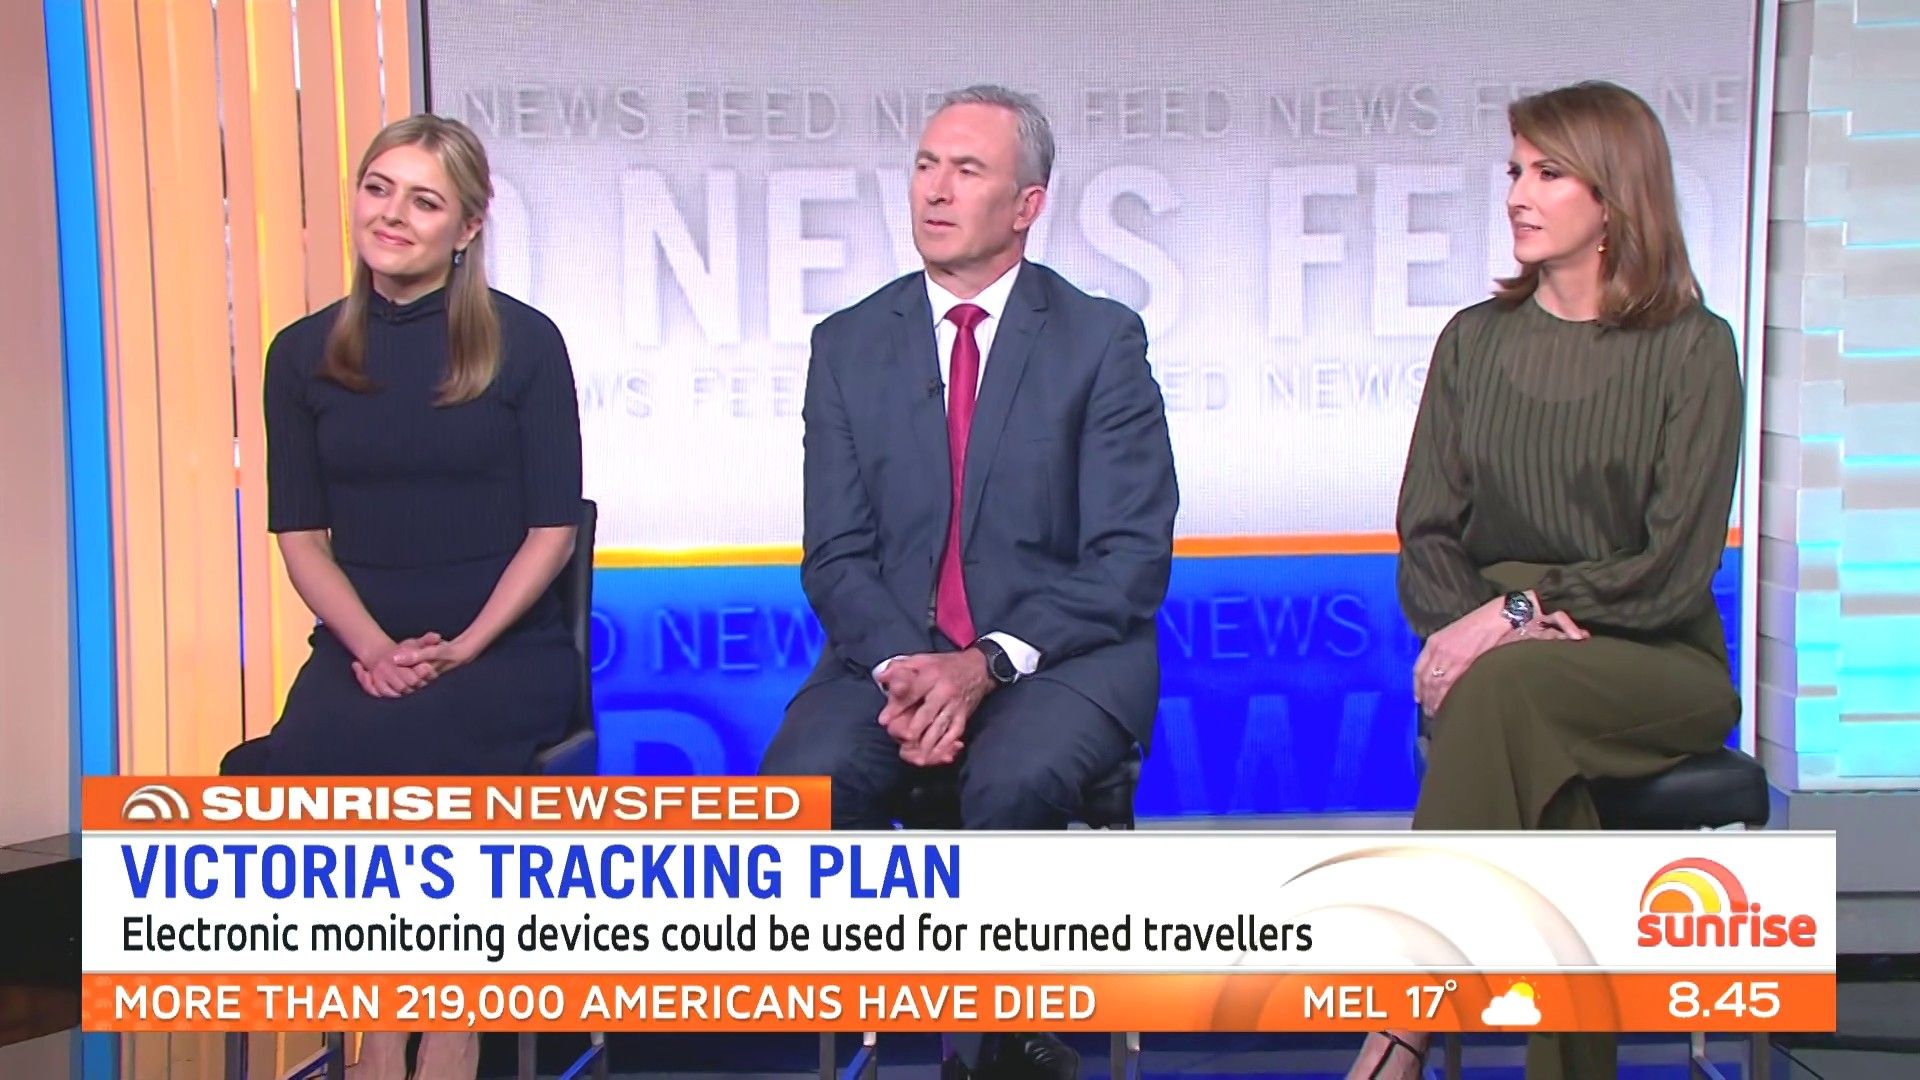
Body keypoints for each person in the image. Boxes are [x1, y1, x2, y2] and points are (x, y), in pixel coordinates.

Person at [759, 85, 1178, 1078]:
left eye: (967, 170)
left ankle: (993, 1046)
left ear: (1027, 205)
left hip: (1058, 658)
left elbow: (1129, 558)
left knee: (1013, 778)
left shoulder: (1100, 341)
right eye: (925, 166)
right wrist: (910, 669)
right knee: (800, 786)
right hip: (891, 657)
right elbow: (836, 554)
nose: (935, 190)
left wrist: (983, 665)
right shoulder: (847, 344)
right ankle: (931, 1029)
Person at [1347, 80, 1745, 1080]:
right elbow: (1427, 535)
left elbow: (1673, 566)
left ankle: (1399, 1031)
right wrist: (1484, 623)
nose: (1518, 195)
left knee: (1504, 688)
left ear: (1614, 197)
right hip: (1505, 652)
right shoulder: (1474, 343)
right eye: (1515, 171)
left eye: (1548, 173)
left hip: (1653, 657)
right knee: (1525, 725)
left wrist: (1522, 612)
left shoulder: (1694, 350)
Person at [220, 114, 583, 1080]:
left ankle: (451, 1023)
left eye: (424, 201)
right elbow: (301, 540)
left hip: (499, 647)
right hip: (358, 646)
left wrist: (463, 647)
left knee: (427, 754)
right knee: (319, 753)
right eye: (378, 188)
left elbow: (553, 532)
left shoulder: (525, 343)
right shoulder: (300, 355)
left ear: (467, 227)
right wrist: (372, 650)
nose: (392, 214)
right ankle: (381, 1025)